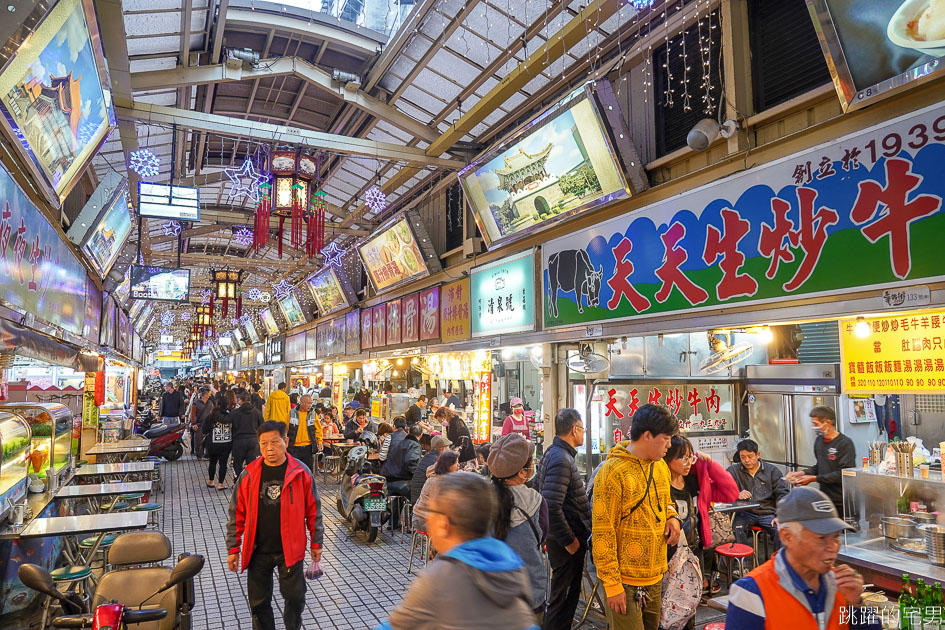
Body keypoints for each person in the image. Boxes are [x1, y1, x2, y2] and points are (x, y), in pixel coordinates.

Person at [376, 472, 539, 630]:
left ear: (443, 524)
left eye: (431, 512)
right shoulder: (513, 567)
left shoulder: (437, 580)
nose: (427, 518)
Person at [725, 487, 879, 630]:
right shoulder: (751, 593)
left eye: (836, 536)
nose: (833, 547)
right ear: (787, 537)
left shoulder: (840, 585)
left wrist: (856, 604)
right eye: (821, 538)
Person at [226, 421, 324, 630]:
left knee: (296, 598)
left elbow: (313, 510)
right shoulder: (249, 474)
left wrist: (317, 542)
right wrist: (233, 549)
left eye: (274, 442)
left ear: (286, 442)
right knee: (259, 604)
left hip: (290, 550)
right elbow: (236, 513)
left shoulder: (301, 472)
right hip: (257, 550)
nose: (269, 448)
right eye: (264, 444)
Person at [592, 404, 681, 630]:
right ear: (647, 435)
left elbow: (666, 502)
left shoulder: (660, 466)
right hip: (624, 581)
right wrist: (612, 586)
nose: (669, 445)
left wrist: (672, 517)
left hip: (656, 575)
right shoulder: (612, 471)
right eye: (666, 439)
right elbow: (603, 533)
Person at [663, 434, 738, 605]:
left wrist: (710, 465)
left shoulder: (695, 482)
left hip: (694, 551)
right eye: (682, 457)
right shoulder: (661, 485)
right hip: (667, 554)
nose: (688, 462)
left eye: (690, 457)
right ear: (668, 458)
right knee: (668, 604)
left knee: (689, 603)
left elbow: (731, 492)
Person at [536, 408, 591, 630]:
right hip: (565, 541)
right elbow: (550, 506)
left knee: (563, 595)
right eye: (582, 429)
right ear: (574, 429)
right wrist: (570, 541)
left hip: (559, 537)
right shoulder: (561, 458)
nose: (583, 434)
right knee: (564, 598)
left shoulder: (555, 452)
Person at [489, 433, 549, 619]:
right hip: (528, 594)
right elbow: (542, 537)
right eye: (531, 460)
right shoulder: (537, 501)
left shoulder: (478, 499)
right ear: (522, 472)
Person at [786, 406, 856, 515]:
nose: (814, 427)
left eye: (816, 424)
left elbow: (843, 473)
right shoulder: (819, 441)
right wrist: (802, 473)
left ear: (827, 422)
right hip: (824, 497)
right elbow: (820, 466)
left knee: (845, 531)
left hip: (842, 499)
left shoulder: (844, 443)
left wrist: (814, 478)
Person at [728, 438, 790, 549]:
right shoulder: (733, 471)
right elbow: (722, 488)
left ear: (758, 455)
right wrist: (735, 494)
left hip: (768, 513)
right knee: (737, 528)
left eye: (750, 456)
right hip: (744, 513)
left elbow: (783, 494)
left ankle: (778, 562)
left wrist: (780, 515)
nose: (746, 460)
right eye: (743, 457)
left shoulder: (772, 471)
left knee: (781, 530)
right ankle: (742, 565)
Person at [411, 449, 460, 530]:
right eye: (456, 462)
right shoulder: (436, 481)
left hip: (425, 517)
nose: (458, 465)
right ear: (448, 465)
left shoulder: (440, 477)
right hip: (423, 520)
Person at [205, 390, 236, 490]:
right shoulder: (231, 415)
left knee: (212, 462)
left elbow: (205, 429)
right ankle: (221, 484)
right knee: (223, 463)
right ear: (227, 404)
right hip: (226, 442)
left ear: (217, 403)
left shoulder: (212, 414)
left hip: (213, 442)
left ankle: (211, 481)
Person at [382, 424, 423, 496]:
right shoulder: (415, 445)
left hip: (388, 480)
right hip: (402, 482)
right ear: (421, 435)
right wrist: (419, 474)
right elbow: (411, 463)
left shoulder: (400, 443)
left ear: (408, 432)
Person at [231, 391, 264, 479]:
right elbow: (262, 427)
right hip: (253, 441)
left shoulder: (235, 413)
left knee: (237, 464)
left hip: (239, 441)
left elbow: (230, 425)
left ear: (240, 401)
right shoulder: (257, 412)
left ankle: (239, 481)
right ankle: (251, 481)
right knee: (252, 464)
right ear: (250, 400)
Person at [286, 394, 323, 472]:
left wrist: (319, 442)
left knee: (308, 471)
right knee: (294, 470)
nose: (310, 405)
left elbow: (318, 430)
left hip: (308, 448)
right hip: (294, 447)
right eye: (308, 403)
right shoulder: (292, 413)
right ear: (302, 403)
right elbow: (285, 429)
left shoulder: (313, 414)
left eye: (311, 403)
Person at [412, 435, 452, 504]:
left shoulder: (428, 457)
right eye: (448, 448)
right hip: (423, 503)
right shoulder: (437, 462)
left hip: (417, 499)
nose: (449, 450)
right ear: (443, 449)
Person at [190, 387, 215, 460]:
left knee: (209, 441)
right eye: (209, 394)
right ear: (205, 395)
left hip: (209, 425)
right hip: (199, 424)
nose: (210, 396)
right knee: (198, 440)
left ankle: (208, 454)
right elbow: (193, 414)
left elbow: (213, 413)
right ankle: (199, 455)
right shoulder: (196, 403)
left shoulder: (210, 403)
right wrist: (193, 424)